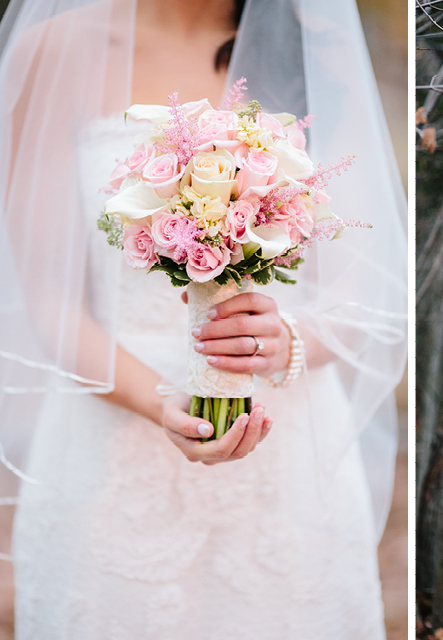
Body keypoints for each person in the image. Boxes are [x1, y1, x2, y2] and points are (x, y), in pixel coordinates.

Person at [0, 0, 407, 637]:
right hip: (110, 439)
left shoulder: (315, 51)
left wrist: (286, 340)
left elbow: (360, 292)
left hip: (286, 451)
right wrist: (164, 400)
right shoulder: (55, 49)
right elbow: (51, 301)